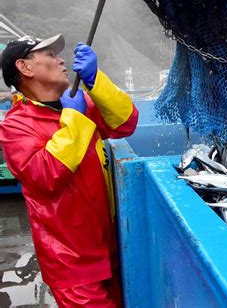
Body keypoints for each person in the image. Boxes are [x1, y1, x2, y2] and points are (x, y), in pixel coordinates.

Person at [0, 34, 139, 307]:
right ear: (25, 68)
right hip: (73, 265)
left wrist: (96, 81)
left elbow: (125, 123)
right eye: (49, 55)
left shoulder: (80, 103)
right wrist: (74, 120)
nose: (61, 59)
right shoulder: (15, 126)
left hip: (111, 249)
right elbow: (45, 174)